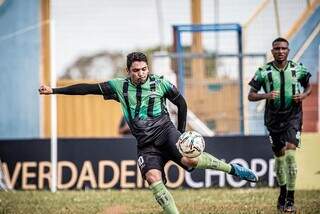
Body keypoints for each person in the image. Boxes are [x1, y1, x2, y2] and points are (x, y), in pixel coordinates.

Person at [39, 52, 258, 214]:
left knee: (190, 161)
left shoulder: (160, 82)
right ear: (128, 71)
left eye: (144, 69)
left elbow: (181, 103)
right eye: (136, 70)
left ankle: (233, 169)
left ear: (147, 68)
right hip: (146, 145)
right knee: (153, 179)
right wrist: (54, 91)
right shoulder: (119, 87)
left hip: (166, 133)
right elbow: (86, 89)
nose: (141, 73)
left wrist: (181, 134)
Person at [248, 38, 311, 212]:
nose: (280, 51)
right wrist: (266, 95)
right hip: (273, 118)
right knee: (279, 157)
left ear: (288, 50)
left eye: (283, 48)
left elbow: (308, 86)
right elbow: (250, 95)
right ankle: (282, 192)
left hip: (293, 116)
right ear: (272, 51)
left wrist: (304, 95)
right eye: (277, 48)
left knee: (290, 155)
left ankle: (290, 198)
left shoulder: (297, 68)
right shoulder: (263, 71)